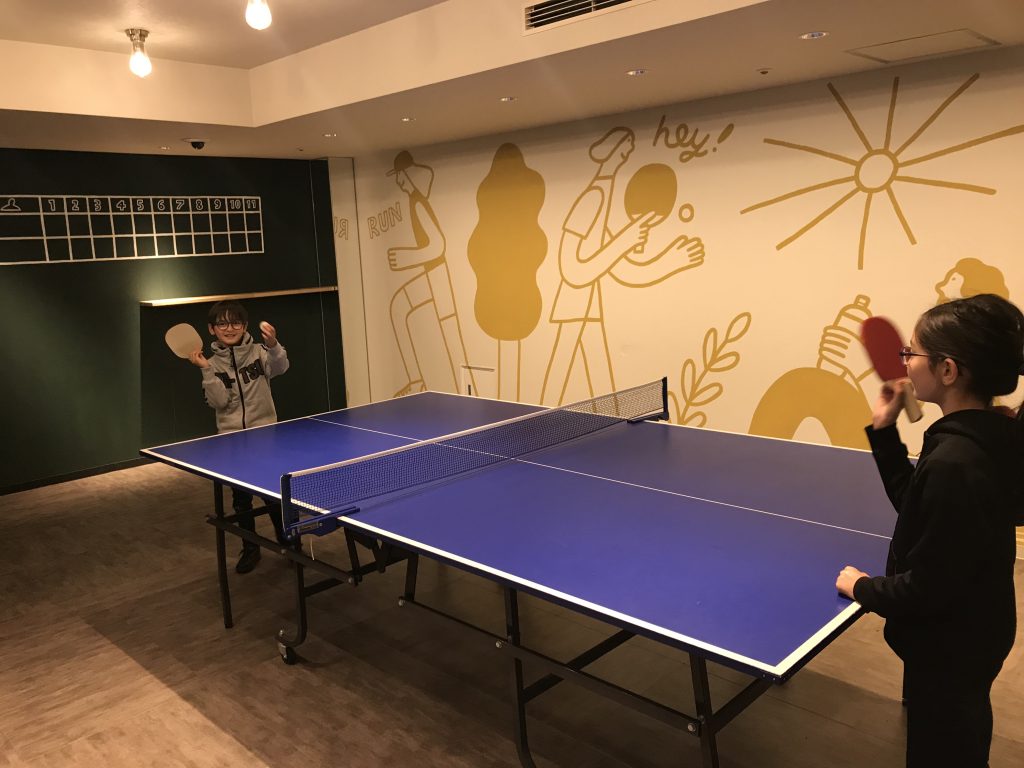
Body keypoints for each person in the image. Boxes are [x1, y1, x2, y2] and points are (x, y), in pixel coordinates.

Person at [836, 293, 1023, 768]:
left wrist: (863, 587)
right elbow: (917, 508)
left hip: (949, 643)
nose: (904, 361)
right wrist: (884, 430)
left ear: (947, 370)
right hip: (978, 627)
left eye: (912, 352)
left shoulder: (955, 462)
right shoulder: (990, 435)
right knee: (962, 729)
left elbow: (926, 589)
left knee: (942, 748)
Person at [188, 300, 290, 573]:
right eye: (222, 323)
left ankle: (288, 542)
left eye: (235, 322)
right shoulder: (211, 364)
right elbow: (219, 402)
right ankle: (251, 548)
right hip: (232, 441)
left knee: (273, 496)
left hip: (265, 436)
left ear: (244, 326)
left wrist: (273, 344)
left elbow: (281, 367)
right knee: (241, 500)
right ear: (212, 329)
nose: (229, 328)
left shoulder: (259, 352)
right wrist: (205, 370)